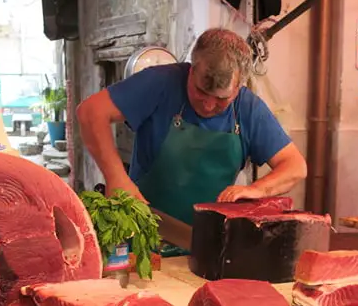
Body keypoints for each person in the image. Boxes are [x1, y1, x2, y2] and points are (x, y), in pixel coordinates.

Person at [76, 27, 307, 225]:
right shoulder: (160, 83)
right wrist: (117, 178)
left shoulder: (248, 108)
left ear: (239, 87)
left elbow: (295, 166)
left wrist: (257, 189)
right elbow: (90, 112)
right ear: (191, 70)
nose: (208, 105)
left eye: (221, 99)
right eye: (200, 91)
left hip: (208, 243)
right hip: (142, 232)